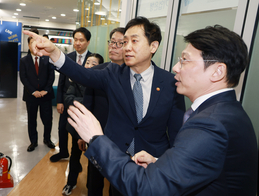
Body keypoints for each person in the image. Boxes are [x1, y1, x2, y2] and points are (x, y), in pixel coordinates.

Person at [66, 25, 258, 196]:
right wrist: (159, 162)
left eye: (185, 60)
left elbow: (147, 188)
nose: (176, 68)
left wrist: (96, 138)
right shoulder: (224, 112)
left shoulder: (210, 124)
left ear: (218, 72)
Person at [24, 16, 185, 195]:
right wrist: (54, 52)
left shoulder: (171, 83)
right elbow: (81, 74)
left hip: (153, 164)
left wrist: (166, 164)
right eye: (125, 42)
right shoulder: (113, 74)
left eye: (134, 41)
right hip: (118, 160)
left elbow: (177, 134)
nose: (127, 47)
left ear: (153, 46)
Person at [83, 27, 125, 196]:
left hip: (122, 141)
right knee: (94, 179)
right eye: (111, 42)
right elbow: (87, 104)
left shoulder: (135, 76)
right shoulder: (97, 72)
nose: (113, 46)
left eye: (119, 43)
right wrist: (83, 135)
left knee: (118, 183)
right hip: (97, 135)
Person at [62, 53, 104, 196]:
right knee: (75, 155)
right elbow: (68, 98)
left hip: (97, 130)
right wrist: (87, 104)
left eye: (94, 63)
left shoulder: (102, 83)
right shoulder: (76, 80)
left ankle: (90, 187)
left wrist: (81, 103)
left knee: (95, 162)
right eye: (88, 62)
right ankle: (70, 183)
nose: (90, 66)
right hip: (78, 127)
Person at [50, 27, 92, 162]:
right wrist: (59, 101)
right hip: (67, 101)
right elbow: (61, 81)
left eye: (81, 40)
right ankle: (63, 152)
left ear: (88, 42)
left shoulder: (93, 59)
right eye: (75, 40)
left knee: (77, 134)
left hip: (83, 103)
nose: (78, 43)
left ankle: (76, 160)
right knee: (62, 128)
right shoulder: (68, 58)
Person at [19, 36, 55, 152]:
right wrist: (34, 91)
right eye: (31, 43)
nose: (34, 45)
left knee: (48, 119)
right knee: (31, 119)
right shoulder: (24, 60)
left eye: (36, 43)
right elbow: (23, 78)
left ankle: (47, 139)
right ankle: (33, 142)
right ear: (29, 45)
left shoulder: (47, 58)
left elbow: (51, 75)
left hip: (46, 95)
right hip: (31, 96)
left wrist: (46, 90)